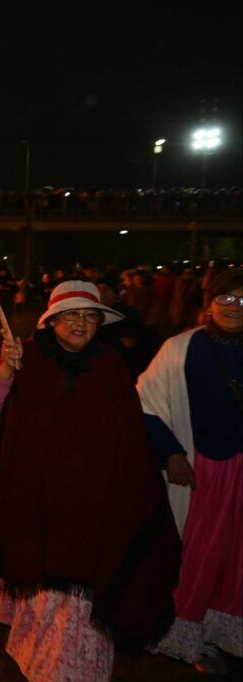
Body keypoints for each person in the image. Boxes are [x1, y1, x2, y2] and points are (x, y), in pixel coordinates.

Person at [0, 280, 181, 681]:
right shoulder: (27, 357)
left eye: (89, 315)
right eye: (70, 315)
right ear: (53, 321)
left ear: (100, 321)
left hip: (94, 512)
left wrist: (159, 461)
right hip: (39, 512)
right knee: (48, 600)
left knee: (86, 600)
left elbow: (131, 430)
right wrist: (5, 372)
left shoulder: (111, 365)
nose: (80, 323)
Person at [136, 269, 243, 673]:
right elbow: (144, 402)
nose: (234, 307)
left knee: (238, 557)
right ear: (209, 303)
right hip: (203, 472)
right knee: (200, 555)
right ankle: (190, 636)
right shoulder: (180, 349)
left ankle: (228, 633)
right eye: (226, 299)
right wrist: (172, 454)